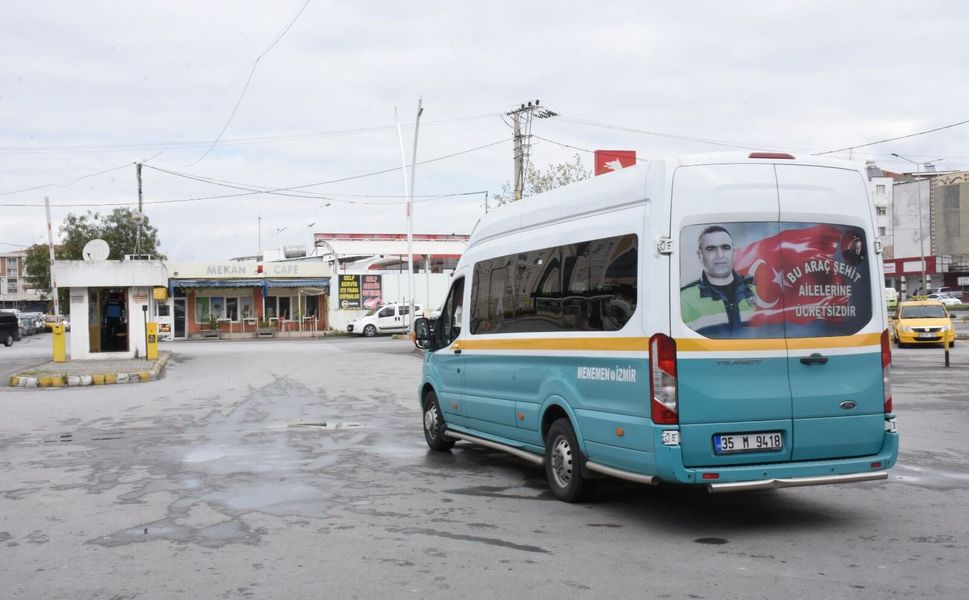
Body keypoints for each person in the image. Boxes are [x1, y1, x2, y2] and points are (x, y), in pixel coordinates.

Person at [680, 225, 758, 336]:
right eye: (711, 249)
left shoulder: (757, 291)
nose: (720, 255)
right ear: (700, 255)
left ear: (733, 252)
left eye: (725, 248)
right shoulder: (685, 299)